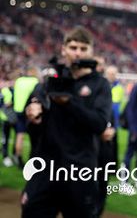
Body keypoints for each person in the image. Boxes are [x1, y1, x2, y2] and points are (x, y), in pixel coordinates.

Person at [22, 26, 112, 218]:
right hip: (45, 168)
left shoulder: (100, 84)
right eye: (73, 47)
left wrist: (69, 102)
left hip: (79, 171)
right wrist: (33, 113)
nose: (77, 53)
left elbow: (100, 123)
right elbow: (31, 114)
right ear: (63, 49)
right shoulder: (51, 80)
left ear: (91, 51)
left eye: (83, 48)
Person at [12, 67, 40, 167]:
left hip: (18, 110)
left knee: (20, 134)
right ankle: (32, 158)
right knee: (34, 136)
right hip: (29, 111)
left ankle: (18, 157)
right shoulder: (35, 81)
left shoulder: (19, 81)